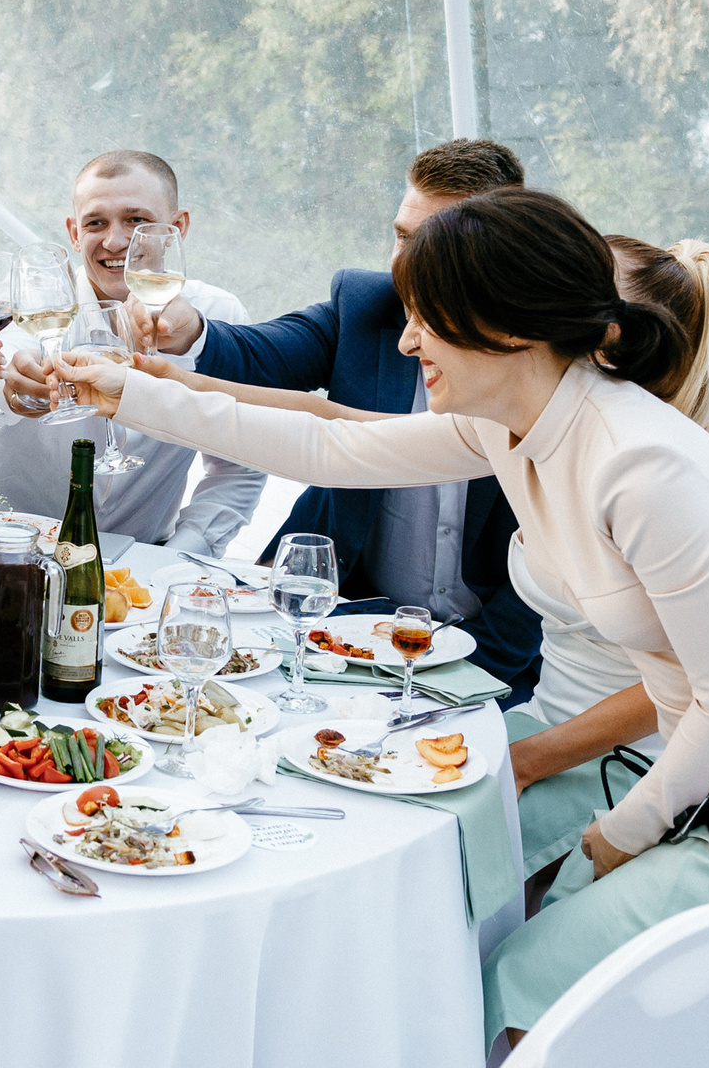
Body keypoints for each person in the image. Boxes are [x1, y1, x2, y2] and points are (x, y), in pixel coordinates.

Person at [51, 188, 709, 1050]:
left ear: (506, 326)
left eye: (427, 318)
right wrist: (126, 391)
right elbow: (327, 445)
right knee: (466, 923)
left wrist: (622, 834)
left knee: (521, 982)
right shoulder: (512, 428)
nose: (404, 340)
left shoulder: (644, 466)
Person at [162, 235, 709, 903]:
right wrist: (172, 385)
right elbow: (338, 429)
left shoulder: (647, 476)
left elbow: (689, 688)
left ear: (605, 339)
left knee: (411, 866)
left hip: (619, 758)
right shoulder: (541, 432)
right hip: (535, 723)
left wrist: (521, 762)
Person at [137, 139, 542, 697]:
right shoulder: (366, 308)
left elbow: (542, 579)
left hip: (491, 656)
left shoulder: (534, 376)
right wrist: (192, 332)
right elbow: (268, 359)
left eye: (431, 243)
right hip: (343, 624)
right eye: (402, 235)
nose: (405, 262)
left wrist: (479, 680)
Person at [0, 151, 262, 556]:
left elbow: (241, 462)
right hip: (14, 552)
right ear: (73, 232)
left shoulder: (220, 317)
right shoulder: (29, 310)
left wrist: (182, 554)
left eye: (136, 220)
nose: (115, 241)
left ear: (177, 227)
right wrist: (13, 390)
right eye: (95, 222)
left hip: (149, 560)